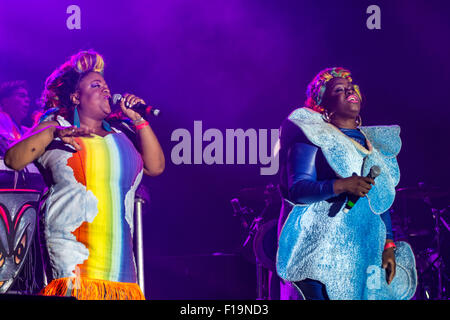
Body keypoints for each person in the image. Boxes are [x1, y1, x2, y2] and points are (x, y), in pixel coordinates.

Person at [4, 50, 165, 300]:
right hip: (74, 264)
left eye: (106, 86)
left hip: (120, 268)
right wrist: (53, 134)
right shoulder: (57, 125)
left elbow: (155, 167)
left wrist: (139, 120)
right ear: (76, 97)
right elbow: (13, 159)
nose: (106, 90)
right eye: (96, 84)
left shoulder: (122, 136)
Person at [276, 67, 417, 300]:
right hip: (318, 253)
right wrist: (341, 185)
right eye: (339, 89)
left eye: (351, 88)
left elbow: (379, 200)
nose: (349, 91)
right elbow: (297, 189)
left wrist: (388, 245)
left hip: (360, 249)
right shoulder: (312, 135)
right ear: (323, 102)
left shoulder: (373, 145)